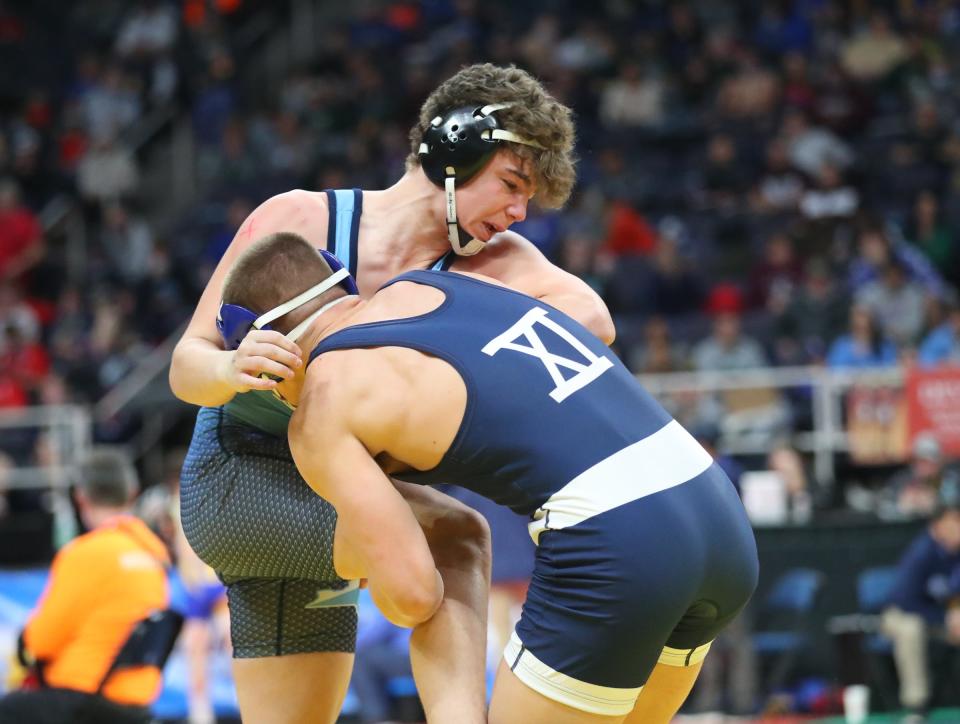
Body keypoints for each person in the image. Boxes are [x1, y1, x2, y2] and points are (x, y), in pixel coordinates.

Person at [169, 63, 614, 723]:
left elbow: (594, 323)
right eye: (512, 186)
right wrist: (232, 370)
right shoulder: (302, 219)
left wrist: (458, 341)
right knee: (457, 536)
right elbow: (187, 365)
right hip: (245, 474)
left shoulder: (494, 262)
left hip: (341, 492)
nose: (520, 213)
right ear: (454, 151)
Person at [223, 232, 758, 724]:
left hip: (621, 539)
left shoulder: (320, 408)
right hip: (716, 509)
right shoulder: (438, 282)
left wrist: (372, 568)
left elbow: (412, 594)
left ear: (267, 350)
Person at [0, 449, 170, 724]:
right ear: (133, 493)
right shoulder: (155, 556)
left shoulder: (84, 553)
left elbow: (41, 640)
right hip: (137, 700)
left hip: (88, 698)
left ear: (81, 497)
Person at [880, 505, 960, 719]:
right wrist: (947, 619)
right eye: (954, 522)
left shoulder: (956, 553)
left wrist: (955, 614)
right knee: (911, 629)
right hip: (898, 615)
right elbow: (907, 602)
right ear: (937, 526)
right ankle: (916, 706)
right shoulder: (921, 552)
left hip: (941, 619)